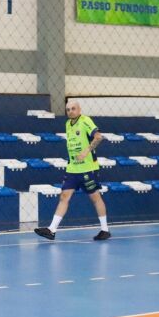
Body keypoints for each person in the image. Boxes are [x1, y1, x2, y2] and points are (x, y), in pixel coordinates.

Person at [35, 101, 111, 241]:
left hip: (88, 168)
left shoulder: (85, 120)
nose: (70, 111)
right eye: (68, 109)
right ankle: (51, 230)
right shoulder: (67, 124)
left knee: (95, 197)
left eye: (73, 109)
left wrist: (86, 151)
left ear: (79, 109)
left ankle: (105, 229)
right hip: (72, 168)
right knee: (64, 196)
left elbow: (98, 136)